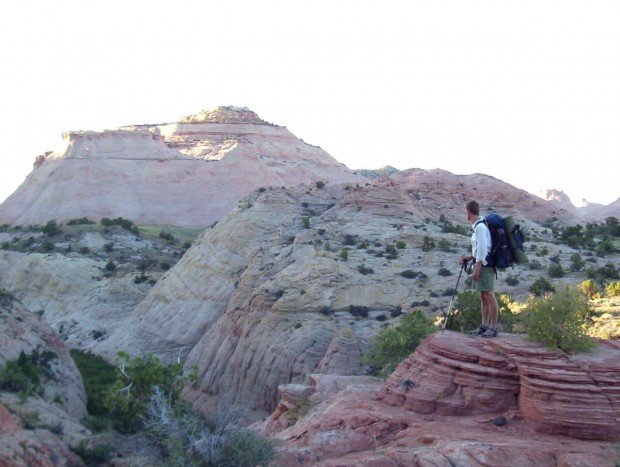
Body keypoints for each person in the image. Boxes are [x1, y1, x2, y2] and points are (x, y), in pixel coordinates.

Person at [459, 200, 499, 338]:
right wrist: (470, 258)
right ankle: (484, 325)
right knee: (483, 296)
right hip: (481, 264)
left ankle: (493, 328)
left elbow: (483, 249)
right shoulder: (478, 227)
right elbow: (479, 249)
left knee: (489, 295)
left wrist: (476, 269)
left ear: (468, 212)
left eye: (466, 211)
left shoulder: (480, 228)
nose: (466, 214)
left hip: (485, 266)